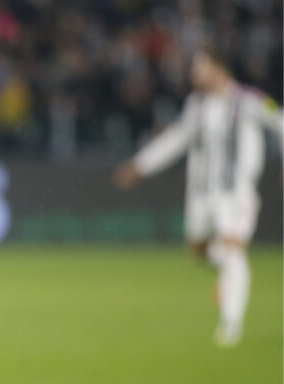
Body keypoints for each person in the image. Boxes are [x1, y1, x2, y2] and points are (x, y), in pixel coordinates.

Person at [114, 48, 283, 347]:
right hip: (201, 193)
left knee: (232, 247)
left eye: (201, 67)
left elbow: (280, 121)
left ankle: (230, 325)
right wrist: (141, 165)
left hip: (236, 191)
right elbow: (176, 140)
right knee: (199, 250)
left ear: (219, 69)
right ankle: (230, 276)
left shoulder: (248, 100)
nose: (195, 73)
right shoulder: (197, 105)